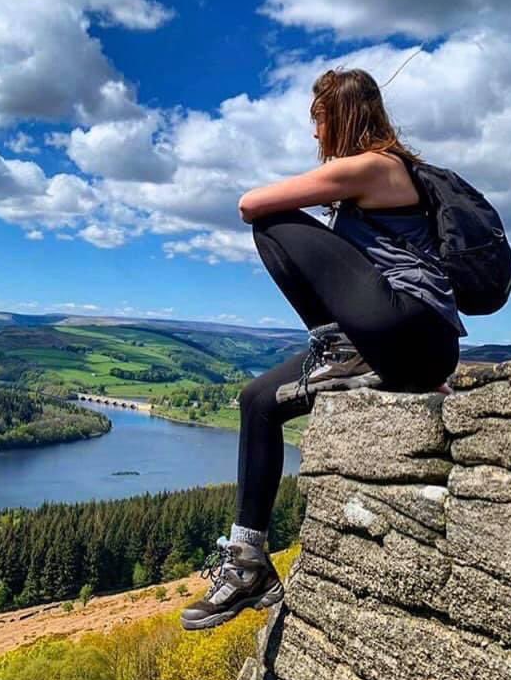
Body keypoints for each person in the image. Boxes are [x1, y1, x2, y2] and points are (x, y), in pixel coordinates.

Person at [180, 67, 466, 632]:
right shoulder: (374, 180)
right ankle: (248, 561)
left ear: (341, 116)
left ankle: (342, 351)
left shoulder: (376, 167)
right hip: (401, 347)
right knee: (257, 400)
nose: (316, 137)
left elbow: (249, 203)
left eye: (319, 122)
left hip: (410, 331)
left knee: (270, 222)